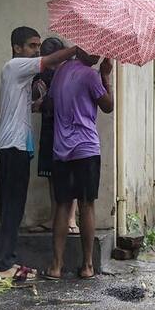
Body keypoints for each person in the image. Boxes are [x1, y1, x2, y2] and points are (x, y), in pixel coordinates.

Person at [0, 27, 77, 280]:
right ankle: (5, 265)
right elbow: (51, 60)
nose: (37, 50)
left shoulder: (16, 74)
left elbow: (1, 113)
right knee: (12, 207)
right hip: (13, 147)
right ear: (17, 48)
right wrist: (77, 49)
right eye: (32, 45)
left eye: (38, 45)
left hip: (14, 146)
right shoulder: (15, 66)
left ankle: (7, 261)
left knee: (13, 207)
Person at [43, 48, 113, 280]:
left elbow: (50, 103)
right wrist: (106, 76)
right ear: (82, 48)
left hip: (61, 149)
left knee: (63, 205)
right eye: (95, 51)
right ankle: (87, 265)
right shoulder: (91, 75)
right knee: (86, 205)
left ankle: (56, 266)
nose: (98, 55)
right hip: (86, 149)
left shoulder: (62, 71)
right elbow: (108, 105)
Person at [29, 38, 79, 235]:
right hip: (50, 126)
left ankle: (72, 218)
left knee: (72, 172)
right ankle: (54, 217)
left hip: (70, 127)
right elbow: (36, 101)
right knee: (51, 174)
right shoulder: (42, 73)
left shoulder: (72, 72)